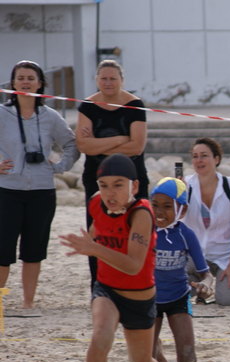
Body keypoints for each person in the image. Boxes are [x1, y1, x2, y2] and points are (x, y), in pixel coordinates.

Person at [60, 154, 172, 362]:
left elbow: (133, 265)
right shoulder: (96, 203)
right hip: (106, 289)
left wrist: (94, 249)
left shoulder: (142, 213)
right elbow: (97, 231)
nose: (110, 193)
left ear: (134, 186)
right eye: (104, 185)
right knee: (100, 337)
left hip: (139, 296)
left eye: (118, 185)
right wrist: (90, 242)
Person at [0, 60, 79, 308]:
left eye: (30, 78)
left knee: (33, 251)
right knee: (2, 251)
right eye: (20, 78)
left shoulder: (50, 117)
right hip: (7, 190)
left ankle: (28, 303)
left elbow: (72, 144)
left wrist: (60, 166)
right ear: (12, 83)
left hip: (42, 192)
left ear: (40, 83)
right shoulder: (2, 113)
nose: (25, 82)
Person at [76, 59, 149, 283]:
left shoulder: (135, 105)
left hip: (132, 179)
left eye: (113, 78)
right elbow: (84, 146)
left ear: (122, 80)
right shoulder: (88, 106)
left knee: (134, 230)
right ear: (97, 80)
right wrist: (120, 139)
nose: (108, 82)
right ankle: (99, 285)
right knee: (99, 232)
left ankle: (137, 282)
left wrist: (98, 144)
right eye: (104, 78)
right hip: (96, 180)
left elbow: (136, 146)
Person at [150, 177, 208, 362]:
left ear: (181, 210)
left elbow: (206, 273)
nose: (159, 212)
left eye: (167, 206)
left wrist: (206, 285)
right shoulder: (145, 231)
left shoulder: (186, 235)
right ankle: (156, 349)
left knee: (188, 356)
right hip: (150, 299)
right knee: (148, 357)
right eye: (155, 205)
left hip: (178, 297)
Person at [182, 137, 230, 306]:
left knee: (229, 300)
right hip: (198, 254)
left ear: (216, 159)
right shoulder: (185, 185)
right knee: (173, 287)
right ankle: (203, 288)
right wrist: (176, 194)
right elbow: (173, 220)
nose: (199, 160)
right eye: (195, 156)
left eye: (204, 155)